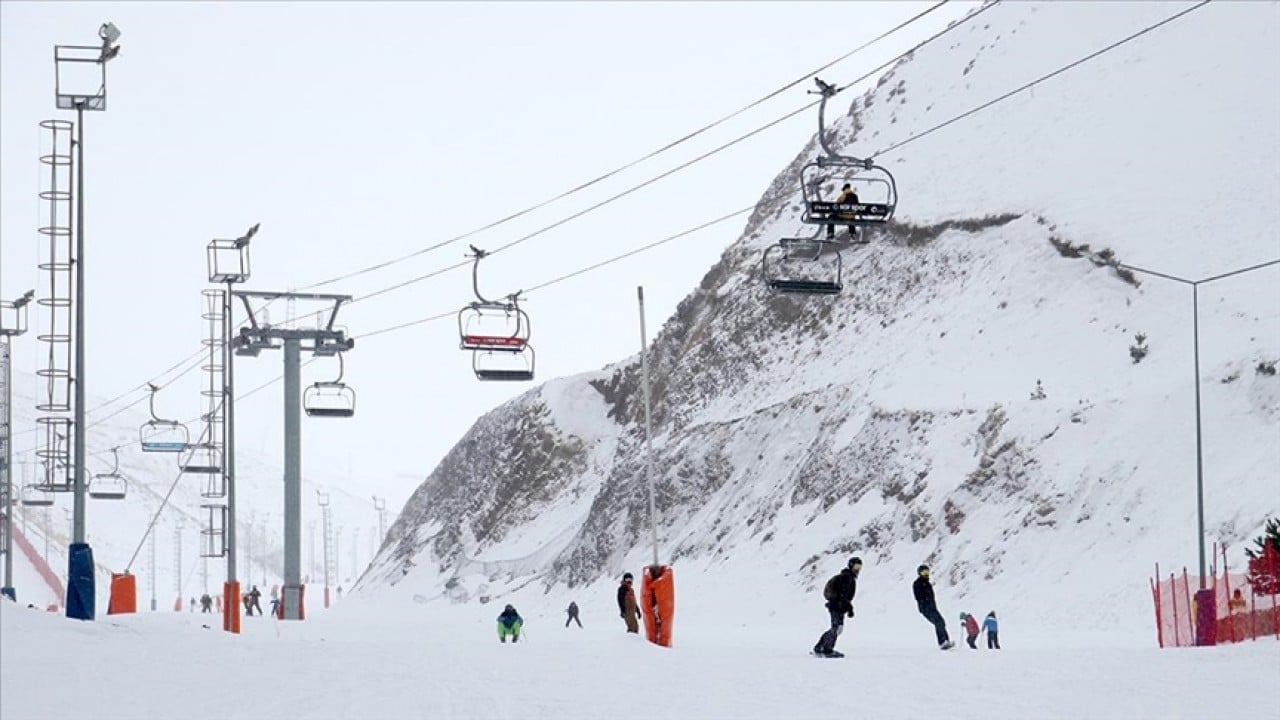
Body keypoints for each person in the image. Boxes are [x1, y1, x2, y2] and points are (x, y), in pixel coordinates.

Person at [812, 557, 862, 658]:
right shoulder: (847, 578)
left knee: (836, 628)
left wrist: (848, 607)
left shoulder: (847, 577)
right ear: (851, 566)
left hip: (837, 605)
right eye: (856, 566)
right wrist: (848, 608)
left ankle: (820, 647)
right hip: (837, 606)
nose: (858, 569)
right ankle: (827, 650)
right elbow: (843, 595)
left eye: (859, 566)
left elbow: (845, 597)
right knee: (837, 628)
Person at [913, 564, 953, 649]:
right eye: (924, 572)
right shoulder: (917, 583)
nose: (926, 574)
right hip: (925, 608)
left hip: (932, 607)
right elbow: (918, 597)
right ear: (919, 573)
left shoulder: (927, 583)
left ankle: (946, 641)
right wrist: (925, 603)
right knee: (938, 622)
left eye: (927, 572)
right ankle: (942, 642)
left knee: (941, 622)